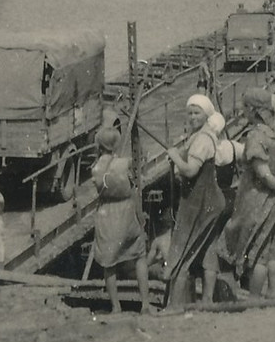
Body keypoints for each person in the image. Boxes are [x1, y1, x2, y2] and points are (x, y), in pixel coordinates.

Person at [211, 88, 275, 300]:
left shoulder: (255, 135)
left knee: (258, 248)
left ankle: (255, 294)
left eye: (244, 109)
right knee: (274, 246)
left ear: (252, 110)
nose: (243, 113)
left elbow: (261, 171)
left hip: (258, 196)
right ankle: (274, 290)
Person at [163, 94, 229, 306]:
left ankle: (174, 305)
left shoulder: (202, 139)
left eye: (197, 113)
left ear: (206, 114)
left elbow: (191, 171)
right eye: (189, 113)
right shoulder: (202, 135)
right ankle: (207, 299)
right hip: (211, 201)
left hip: (200, 203)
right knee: (209, 249)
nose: (192, 117)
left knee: (181, 251)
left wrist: (174, 156)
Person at [91, 125, 152, 314]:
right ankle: (145, 304)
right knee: (139, 256)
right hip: (127, 210)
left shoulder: (96, 169)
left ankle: (116, 306)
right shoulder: (125, 163)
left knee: (109, 263)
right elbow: (139, 176)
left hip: (107, 213)